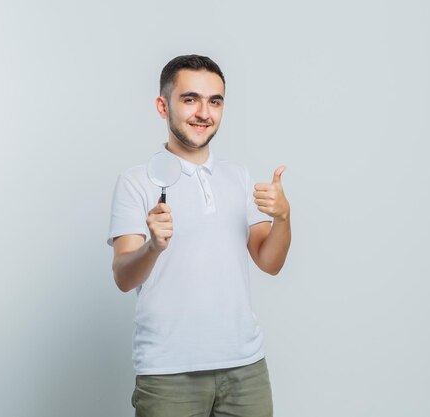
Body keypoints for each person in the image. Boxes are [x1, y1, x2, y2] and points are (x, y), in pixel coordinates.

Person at [107, 54, 291, 417]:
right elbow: (123, 277)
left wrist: (283, 217)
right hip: (168, 374)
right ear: (163, 106)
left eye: (215, 101)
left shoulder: (238, 176)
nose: (204, 112)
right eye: (190, 99)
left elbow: (270, 263)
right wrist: (153, 248)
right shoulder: (135, 181)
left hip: (245, 368)